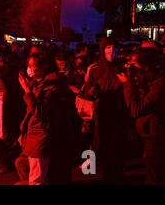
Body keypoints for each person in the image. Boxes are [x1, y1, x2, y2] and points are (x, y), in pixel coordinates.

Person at [15, 52, 80, 185]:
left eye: (33, 66)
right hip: (34, 135)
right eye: (28, 65)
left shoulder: (53, 84)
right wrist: (24, 132)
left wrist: (27, 91)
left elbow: (41, 112)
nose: (30, 68)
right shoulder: (37, 82)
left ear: (43, 66)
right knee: (22, 164)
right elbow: (30, 113)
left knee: (37, 179)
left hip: (42, 136)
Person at [83, 37, 129, 184]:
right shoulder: (94, 69)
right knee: (103, 146)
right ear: (102, 49)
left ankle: (118, 174)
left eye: (113, 47)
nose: (111, 50)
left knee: (118, 146)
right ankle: (107, 174)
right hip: (102, 113)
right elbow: (86, 93)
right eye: (108, 47)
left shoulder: (124, 67)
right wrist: (91, 92)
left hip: (120, 113)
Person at [117, 47, 165, 184]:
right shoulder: (152, 81)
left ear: (148, 67)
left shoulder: (160, 86)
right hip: (151, 136)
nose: (133, 71)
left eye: (136, 67)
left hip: (157, 139)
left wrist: (127, 84)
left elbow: (136, 109)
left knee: (155, 178)